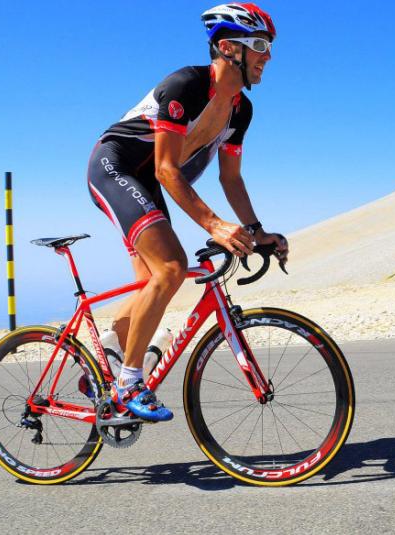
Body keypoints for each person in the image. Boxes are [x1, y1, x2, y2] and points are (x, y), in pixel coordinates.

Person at [86, 3, 288, 422]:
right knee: (172, 268)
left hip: (153, 185)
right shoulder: (186, 85)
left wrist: (256, 230)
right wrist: (214, 224)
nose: (268, 56)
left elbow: (230, 179)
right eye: (261, 46)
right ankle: (127, 381)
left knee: (151, 283)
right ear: (230, 47)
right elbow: (165, 168)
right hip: (116, 169)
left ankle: (101, 364)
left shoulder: (241, 111)